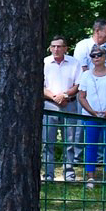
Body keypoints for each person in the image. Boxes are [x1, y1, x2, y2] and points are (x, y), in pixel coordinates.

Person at [75, 49, 106, 189]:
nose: (96, 57)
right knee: (90, 145)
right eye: (93, 55)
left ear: (105, 57)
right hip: (91, 115)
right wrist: (92, 112)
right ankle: (90, 177)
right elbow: (81, 96)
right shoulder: (86, 75)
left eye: (99, 55)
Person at [42, 37, 83, 182]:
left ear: (65, 48)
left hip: (69, 104)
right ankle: (48, 174)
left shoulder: (74, 63)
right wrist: (54, 97)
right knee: (48, 141)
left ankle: (69, 174)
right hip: (49, 104)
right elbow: (40, 85)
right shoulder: (44, 62)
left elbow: (78, 84)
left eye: (59, 46)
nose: (56, 49)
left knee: (69, 141)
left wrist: (64, 95)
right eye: (53, 46)